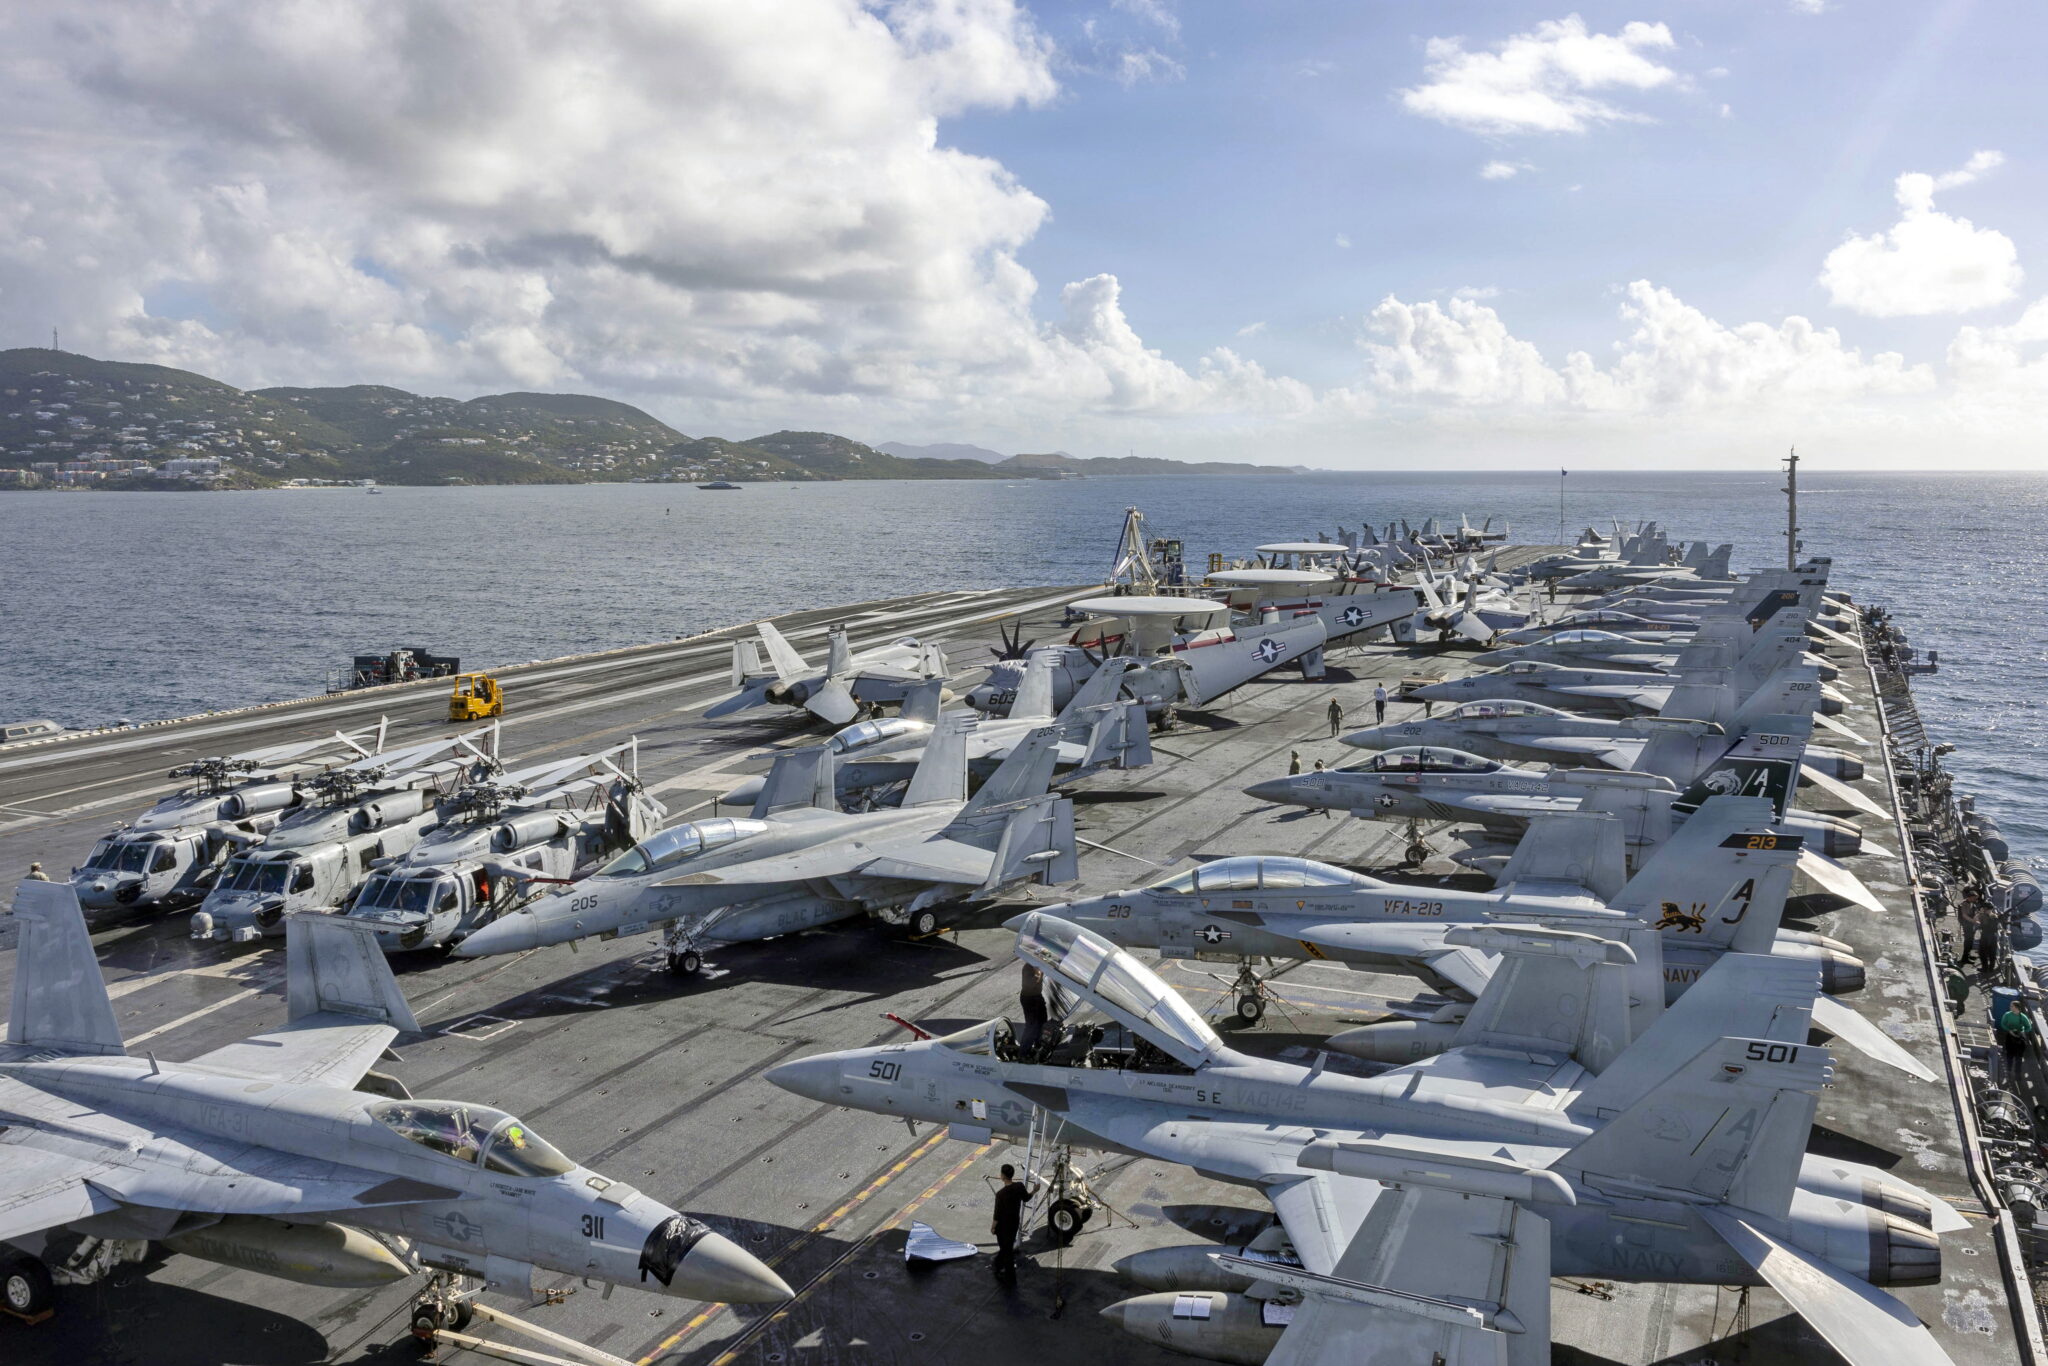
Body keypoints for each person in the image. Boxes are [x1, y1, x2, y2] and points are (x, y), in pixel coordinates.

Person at [991, 1163, 1029, 1277]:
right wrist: (1034, 1191)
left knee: (1005, 1249)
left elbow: (997, 1214)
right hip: (1014, 1223)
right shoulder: (1019, 1186)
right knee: (1007, 1247)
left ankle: (1007, 1273)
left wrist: (993, 1227)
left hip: (1003, 1226)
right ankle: (998, 1265)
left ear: (1002, 1176)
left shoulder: (1000, 1194)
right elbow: (1026, 1198)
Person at [1017, 964, 1048, 1055]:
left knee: (1042, 1022)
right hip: (1029, 999)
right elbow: (1029, 985)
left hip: (1037, 996)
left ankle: (1038, 1047)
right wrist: (1037, 973)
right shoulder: (1028, 967)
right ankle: (1023, 1053)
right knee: (1032, 1026)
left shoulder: (1038, 965)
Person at [1999, 1002, 2035, 1069]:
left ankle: (2017, 1072)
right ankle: (2009, 1070)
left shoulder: (2023, 1017)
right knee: (2009, 1055)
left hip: (2019, 1036)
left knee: (2019, 1057)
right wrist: (2009, 1030)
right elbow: (2003, 1024)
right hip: (2010, 1034)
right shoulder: (2007, 1015)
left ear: (2016, 1007)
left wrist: (2022, 1032)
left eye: (2012, 1006)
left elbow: (2029, 1027)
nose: (2010, 1007)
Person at [1956, 894, 1986, 966]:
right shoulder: (1964, 904)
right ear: (1970, 897)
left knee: (1971, 940)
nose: (1976, 900)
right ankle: (1964, 958)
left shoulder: (1972, 903)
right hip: (1967, 925)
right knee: (1968, 941)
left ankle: (1968, 955)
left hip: (1971, 925)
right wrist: (1973, 921)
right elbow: (1964, 915)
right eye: (1974, 898)